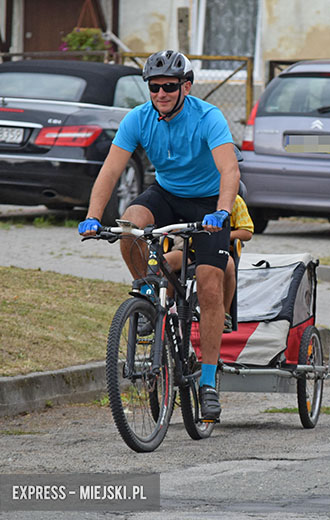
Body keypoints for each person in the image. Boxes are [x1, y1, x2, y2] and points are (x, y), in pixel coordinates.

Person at [78, 50, 240, 422]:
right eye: (154, 87)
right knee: (130, 222)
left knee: (210, 284)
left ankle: (209, 383)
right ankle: (148, 292)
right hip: (166, 193)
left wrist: (222, 211)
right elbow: (110, 171)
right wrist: (91, 217)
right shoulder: (139, 118)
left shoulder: (208, 117)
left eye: (169, 86)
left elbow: (229, 170)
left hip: (208, 202)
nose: (161, 93)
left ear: (186, 86)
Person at [164, 192, 254, 332]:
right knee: (164, 263)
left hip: (217, 250)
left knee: (228, 265)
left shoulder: (234, 200)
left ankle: (224, 314)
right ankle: (167, 309)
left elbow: (247, 232)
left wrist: (222, 236)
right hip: (189, 250)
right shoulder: (187, 195)